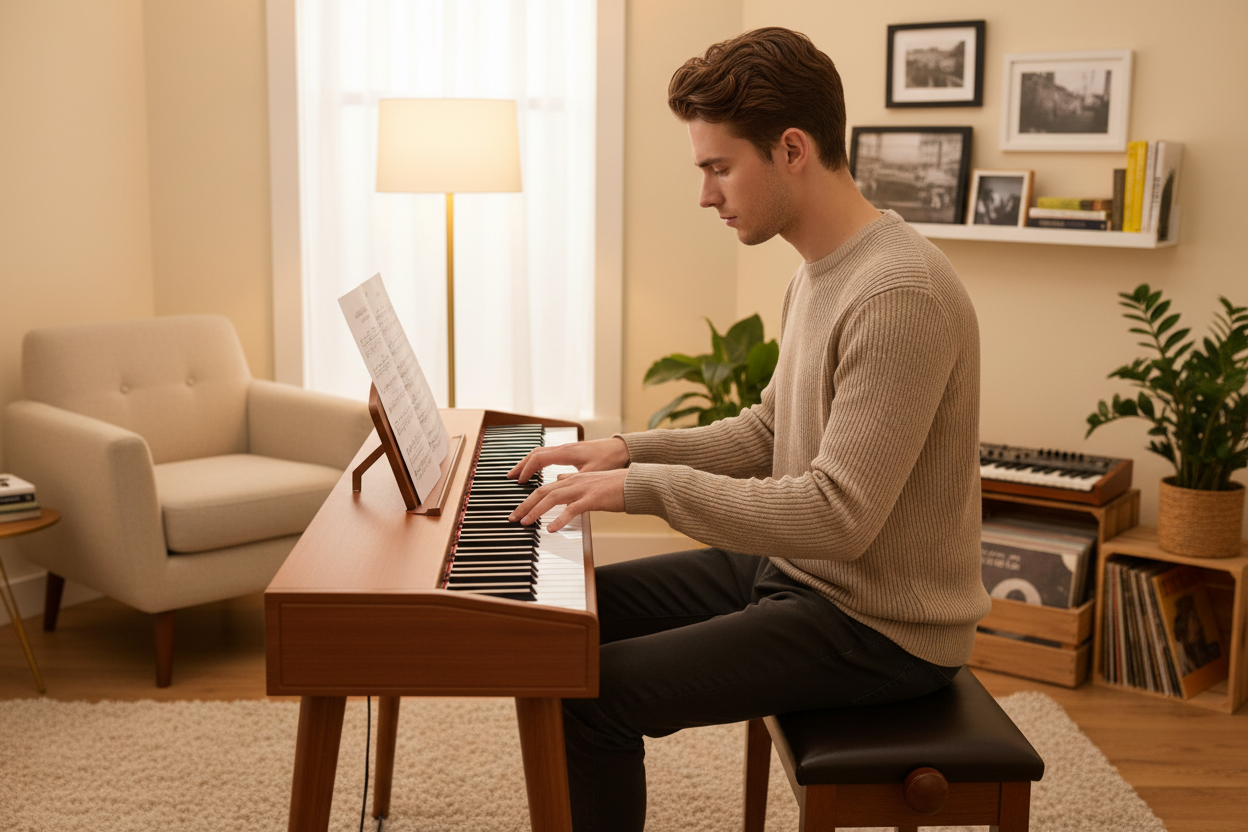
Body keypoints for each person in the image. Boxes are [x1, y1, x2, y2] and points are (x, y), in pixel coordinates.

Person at [507, 26, 990, 832]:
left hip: (882, 625)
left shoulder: (898, 293)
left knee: (590, 696)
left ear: (792, 148)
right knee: (564, 623)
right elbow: (771, 432)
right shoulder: (822, 271)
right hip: (803, 577)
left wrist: (642, 488)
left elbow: (840, 515)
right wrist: (630, 449)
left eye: (718, 167)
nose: (706, 194)